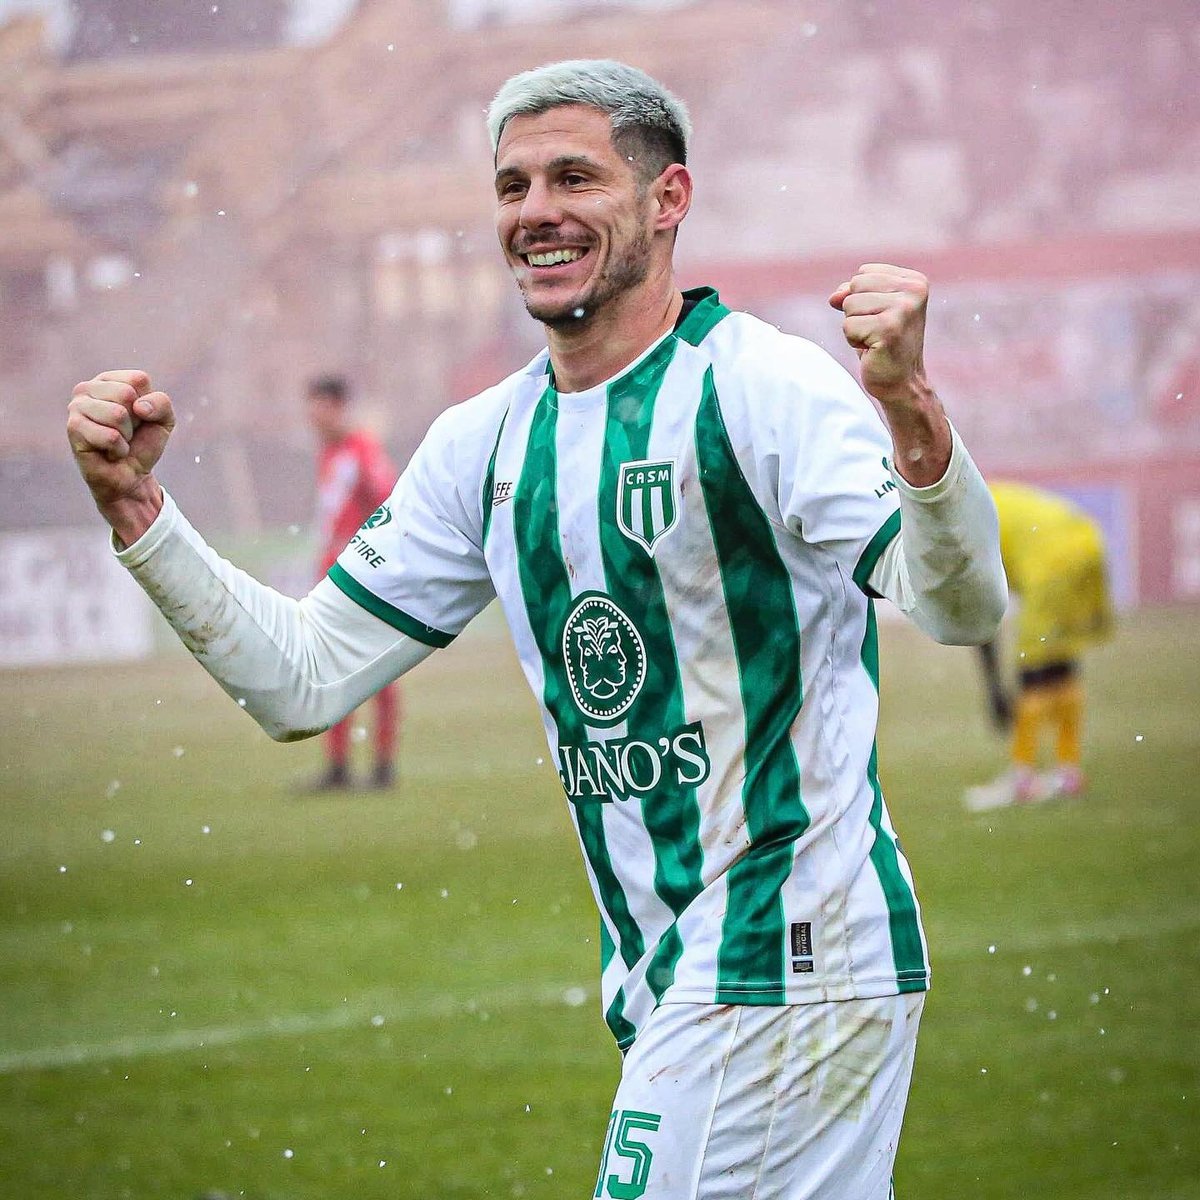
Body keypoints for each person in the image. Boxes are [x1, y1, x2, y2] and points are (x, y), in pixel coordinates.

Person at [66, 59, 1007, 1200]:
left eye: (574, 177)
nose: (536, 213)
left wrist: (911, 413)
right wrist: (139, 512)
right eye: (512, 186)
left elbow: (960, 606)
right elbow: (299, 682)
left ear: (669, 201)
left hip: (785, 948)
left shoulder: (761, 388)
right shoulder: (486, 441)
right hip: (679, 977)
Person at [964, 480, 1113, 812]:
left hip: (1049, 560)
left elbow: (980, 615)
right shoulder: (989, 498)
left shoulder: (964, 529)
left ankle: (1023, 777)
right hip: (1086, 540)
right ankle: (1068, 772)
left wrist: (994, 691)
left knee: (1033, 669)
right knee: (1061, 664)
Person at [304, 373, 401, 791]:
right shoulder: (329, 453)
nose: (311, 416)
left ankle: (382, 766)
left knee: (378, 668)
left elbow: (389, 500)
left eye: (319, 405)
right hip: (333, 574)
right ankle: (339, 767)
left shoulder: (361, 448)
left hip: (361, 575)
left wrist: (368, 554)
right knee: (334, 670)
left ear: (338, 406)